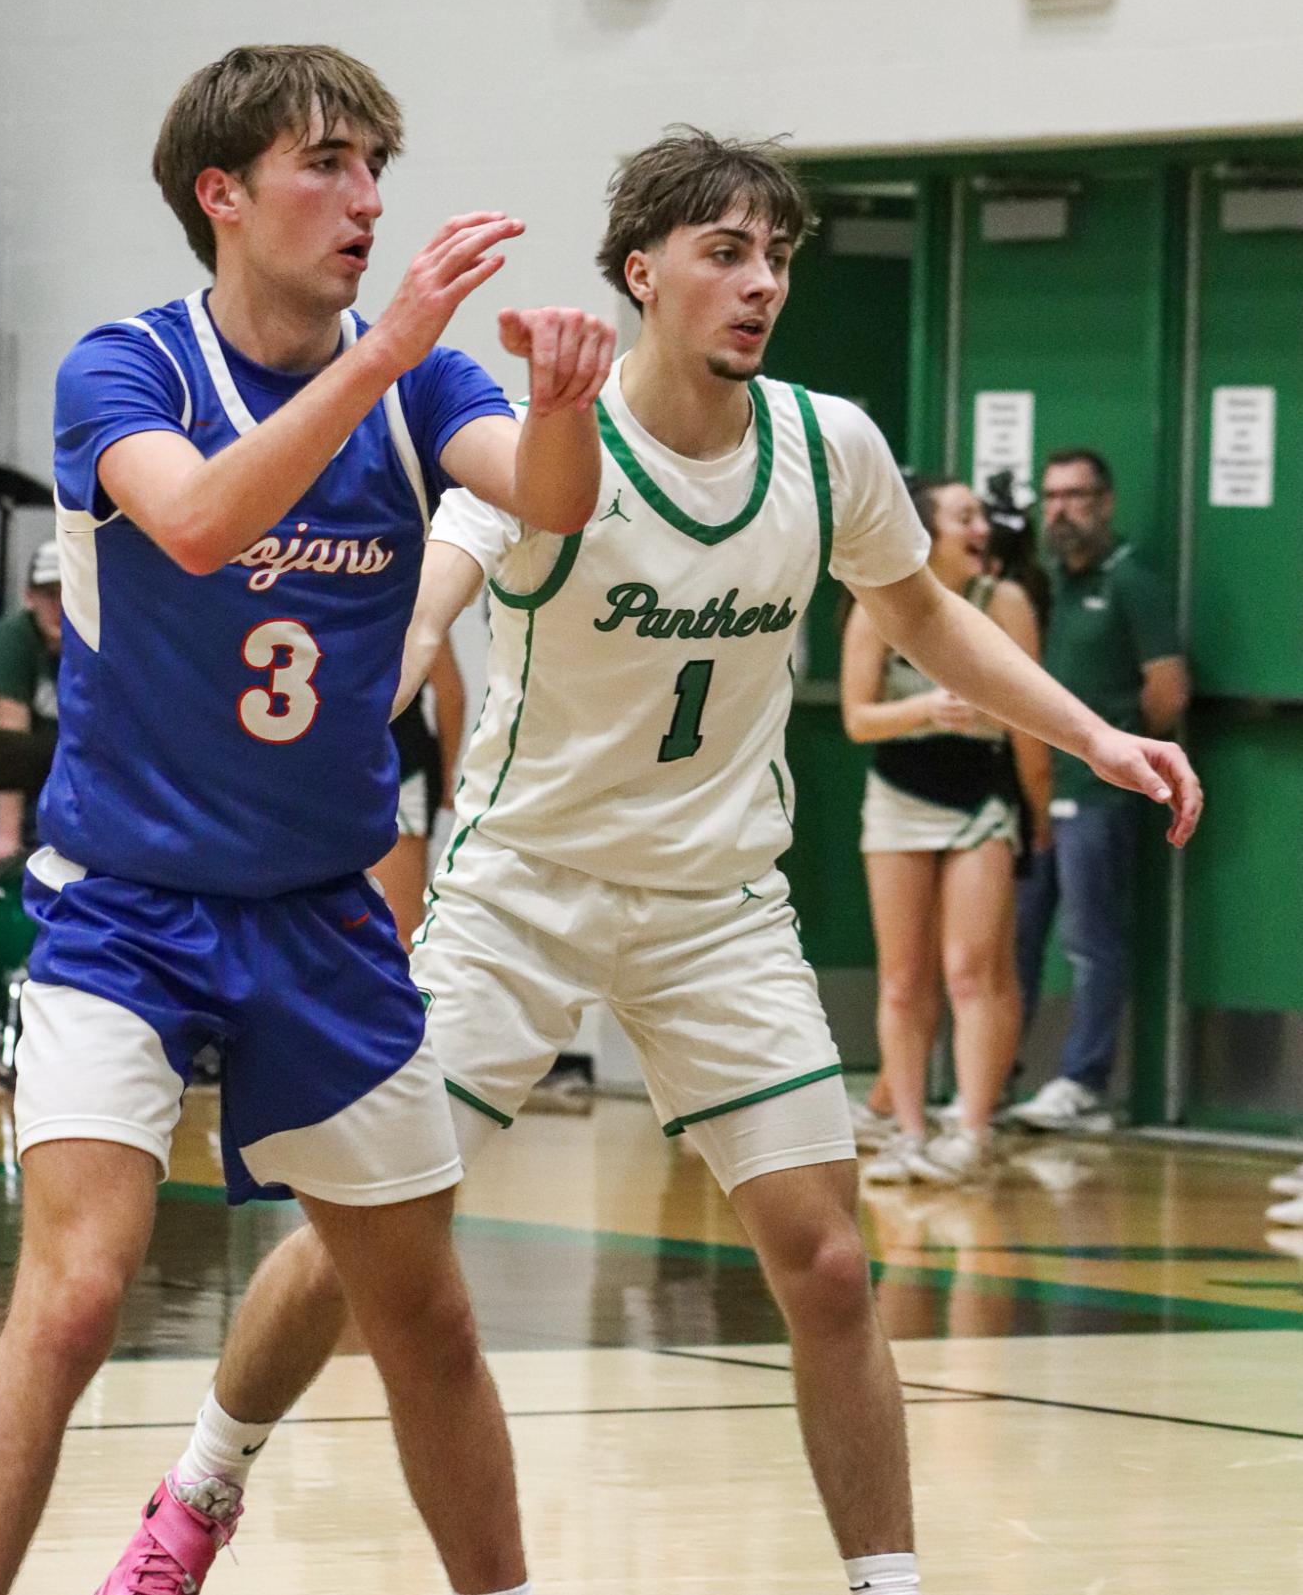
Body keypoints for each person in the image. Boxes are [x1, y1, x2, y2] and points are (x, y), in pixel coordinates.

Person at [95, 128, 1202, 1595]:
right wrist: (387, 667)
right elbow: (438, 586)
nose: (760, 284)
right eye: (725, 253)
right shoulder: (546, 441)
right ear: (642, 270)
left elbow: (927, 618)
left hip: (715, 909)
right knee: (369, 1238)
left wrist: (1086, 735)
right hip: (520, 892)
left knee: (824, 1258)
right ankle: (200, 1489)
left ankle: (889, 1582)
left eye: (777, 258)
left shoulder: (827, 445)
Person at [0, 42, 615, 1595]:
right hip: (121, 904)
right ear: (222, 193)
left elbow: (549, 499)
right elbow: (193, 520)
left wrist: (564, 402)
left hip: (323, 913)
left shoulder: (419, 387)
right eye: (327, 163)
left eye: (376, 166)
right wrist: (385, 348)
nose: (365, 198)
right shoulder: (124, 365)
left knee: (430, 1317)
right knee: (69, 1299)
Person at [841, 478, 1051, 1185]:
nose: (981, 525)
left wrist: (1037, 807)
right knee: (902, 979)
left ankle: (971, 1131)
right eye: (964, 514)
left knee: (971, 968)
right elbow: (857, 719)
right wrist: (926, 708)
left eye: (982, 514)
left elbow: (1029, 716)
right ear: (923, 527)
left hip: (981, 795)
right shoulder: (875, 602)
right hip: (899, 793)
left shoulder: (1006, 602)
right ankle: (906, 1130)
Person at [1009, 449, 1190, 1133]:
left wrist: (1120, 755)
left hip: (1099, 797)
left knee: (1091, 938)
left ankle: (1084, 1082)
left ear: (1105, 502)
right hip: (1035, 790)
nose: (1061, 510)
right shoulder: (1039, 585)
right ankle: (992, 1077)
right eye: (1051, 496)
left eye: (1076, 496)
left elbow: (1167, 690)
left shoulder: (1131, 582)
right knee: (1016, 939)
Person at [0, 538, 63, 868]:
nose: (60, 607)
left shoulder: (97, 647)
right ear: (29, 597)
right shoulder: (11, 639)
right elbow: (11, 751)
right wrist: (7, 836)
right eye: (50, 595)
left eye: (69, 594)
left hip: (51, 794)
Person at [375, 641, 465, 945]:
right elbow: (451, 693)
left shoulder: (409, 596)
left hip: (395, 770)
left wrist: (448, 777)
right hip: (347, 769)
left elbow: (450, 692)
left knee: (398, 926)